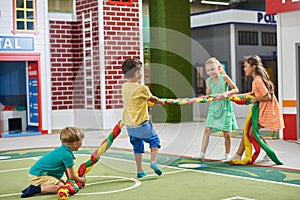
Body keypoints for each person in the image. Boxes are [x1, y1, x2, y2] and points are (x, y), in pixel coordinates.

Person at [224, 55, 285, 163]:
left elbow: (268, 97)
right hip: (263, 109)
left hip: (266, 110)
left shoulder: (257, 80)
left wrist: (255, 99)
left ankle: (266, 152)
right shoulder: (256, 80)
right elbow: (252, 93)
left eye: (246, 66)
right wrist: (237, 97)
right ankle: (239, 154)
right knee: (248, 131)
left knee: (251, 132)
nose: (244, 69)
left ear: (253, 67)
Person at [121, 58, 165, 178]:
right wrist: (160, 101)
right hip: (141, 124)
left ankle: (140, 170)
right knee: (154, 140)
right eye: (140, 72)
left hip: (130, 126)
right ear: (137, 74)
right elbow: (152, 99)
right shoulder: (142, 88)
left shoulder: (124, 87)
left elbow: (141, 101)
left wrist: (150, 103)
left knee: (137, 146)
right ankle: (153, 162)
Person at [21, 127, 86, 198]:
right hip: (38, 175)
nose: (82, 143)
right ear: (75, 143)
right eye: (81, 141)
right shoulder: (67, 155)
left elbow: (68, 173)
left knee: (64, 184)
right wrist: (82, 180)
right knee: (61, 187)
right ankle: (36, 189)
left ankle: (38, 186)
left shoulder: (62, 150)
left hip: (40, 173)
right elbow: (72, 176)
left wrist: (71, 182)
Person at [195, 57, 239, 162]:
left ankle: (227, 154)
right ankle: (202, 153)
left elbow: (235, 89)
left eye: (212, 69)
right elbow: (209, 94)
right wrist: (204, 97)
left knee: (226, 133)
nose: (210, 72)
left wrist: (225, 94)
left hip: (224, 107)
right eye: (208, 70)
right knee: (207, 130)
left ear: (218, 68)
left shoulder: (224, 78)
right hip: (214, 107)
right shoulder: (208, 81)